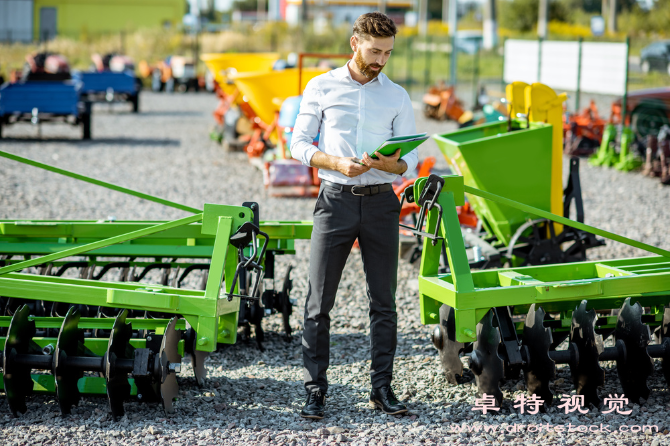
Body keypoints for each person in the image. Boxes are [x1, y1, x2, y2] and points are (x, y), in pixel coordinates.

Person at [290, 12, 418, 419]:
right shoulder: (321, 86)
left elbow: (411, 160)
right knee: (317, 302)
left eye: (388, 53)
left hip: (382, 202)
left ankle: (382, 389)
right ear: (354, 44)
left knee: (384, 303)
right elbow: (298, 144)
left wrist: (394, 164)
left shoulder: (397, 95)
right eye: (375, 51)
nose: (381, 59)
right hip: (335, 201)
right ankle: (315, 390)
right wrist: (334, 162)